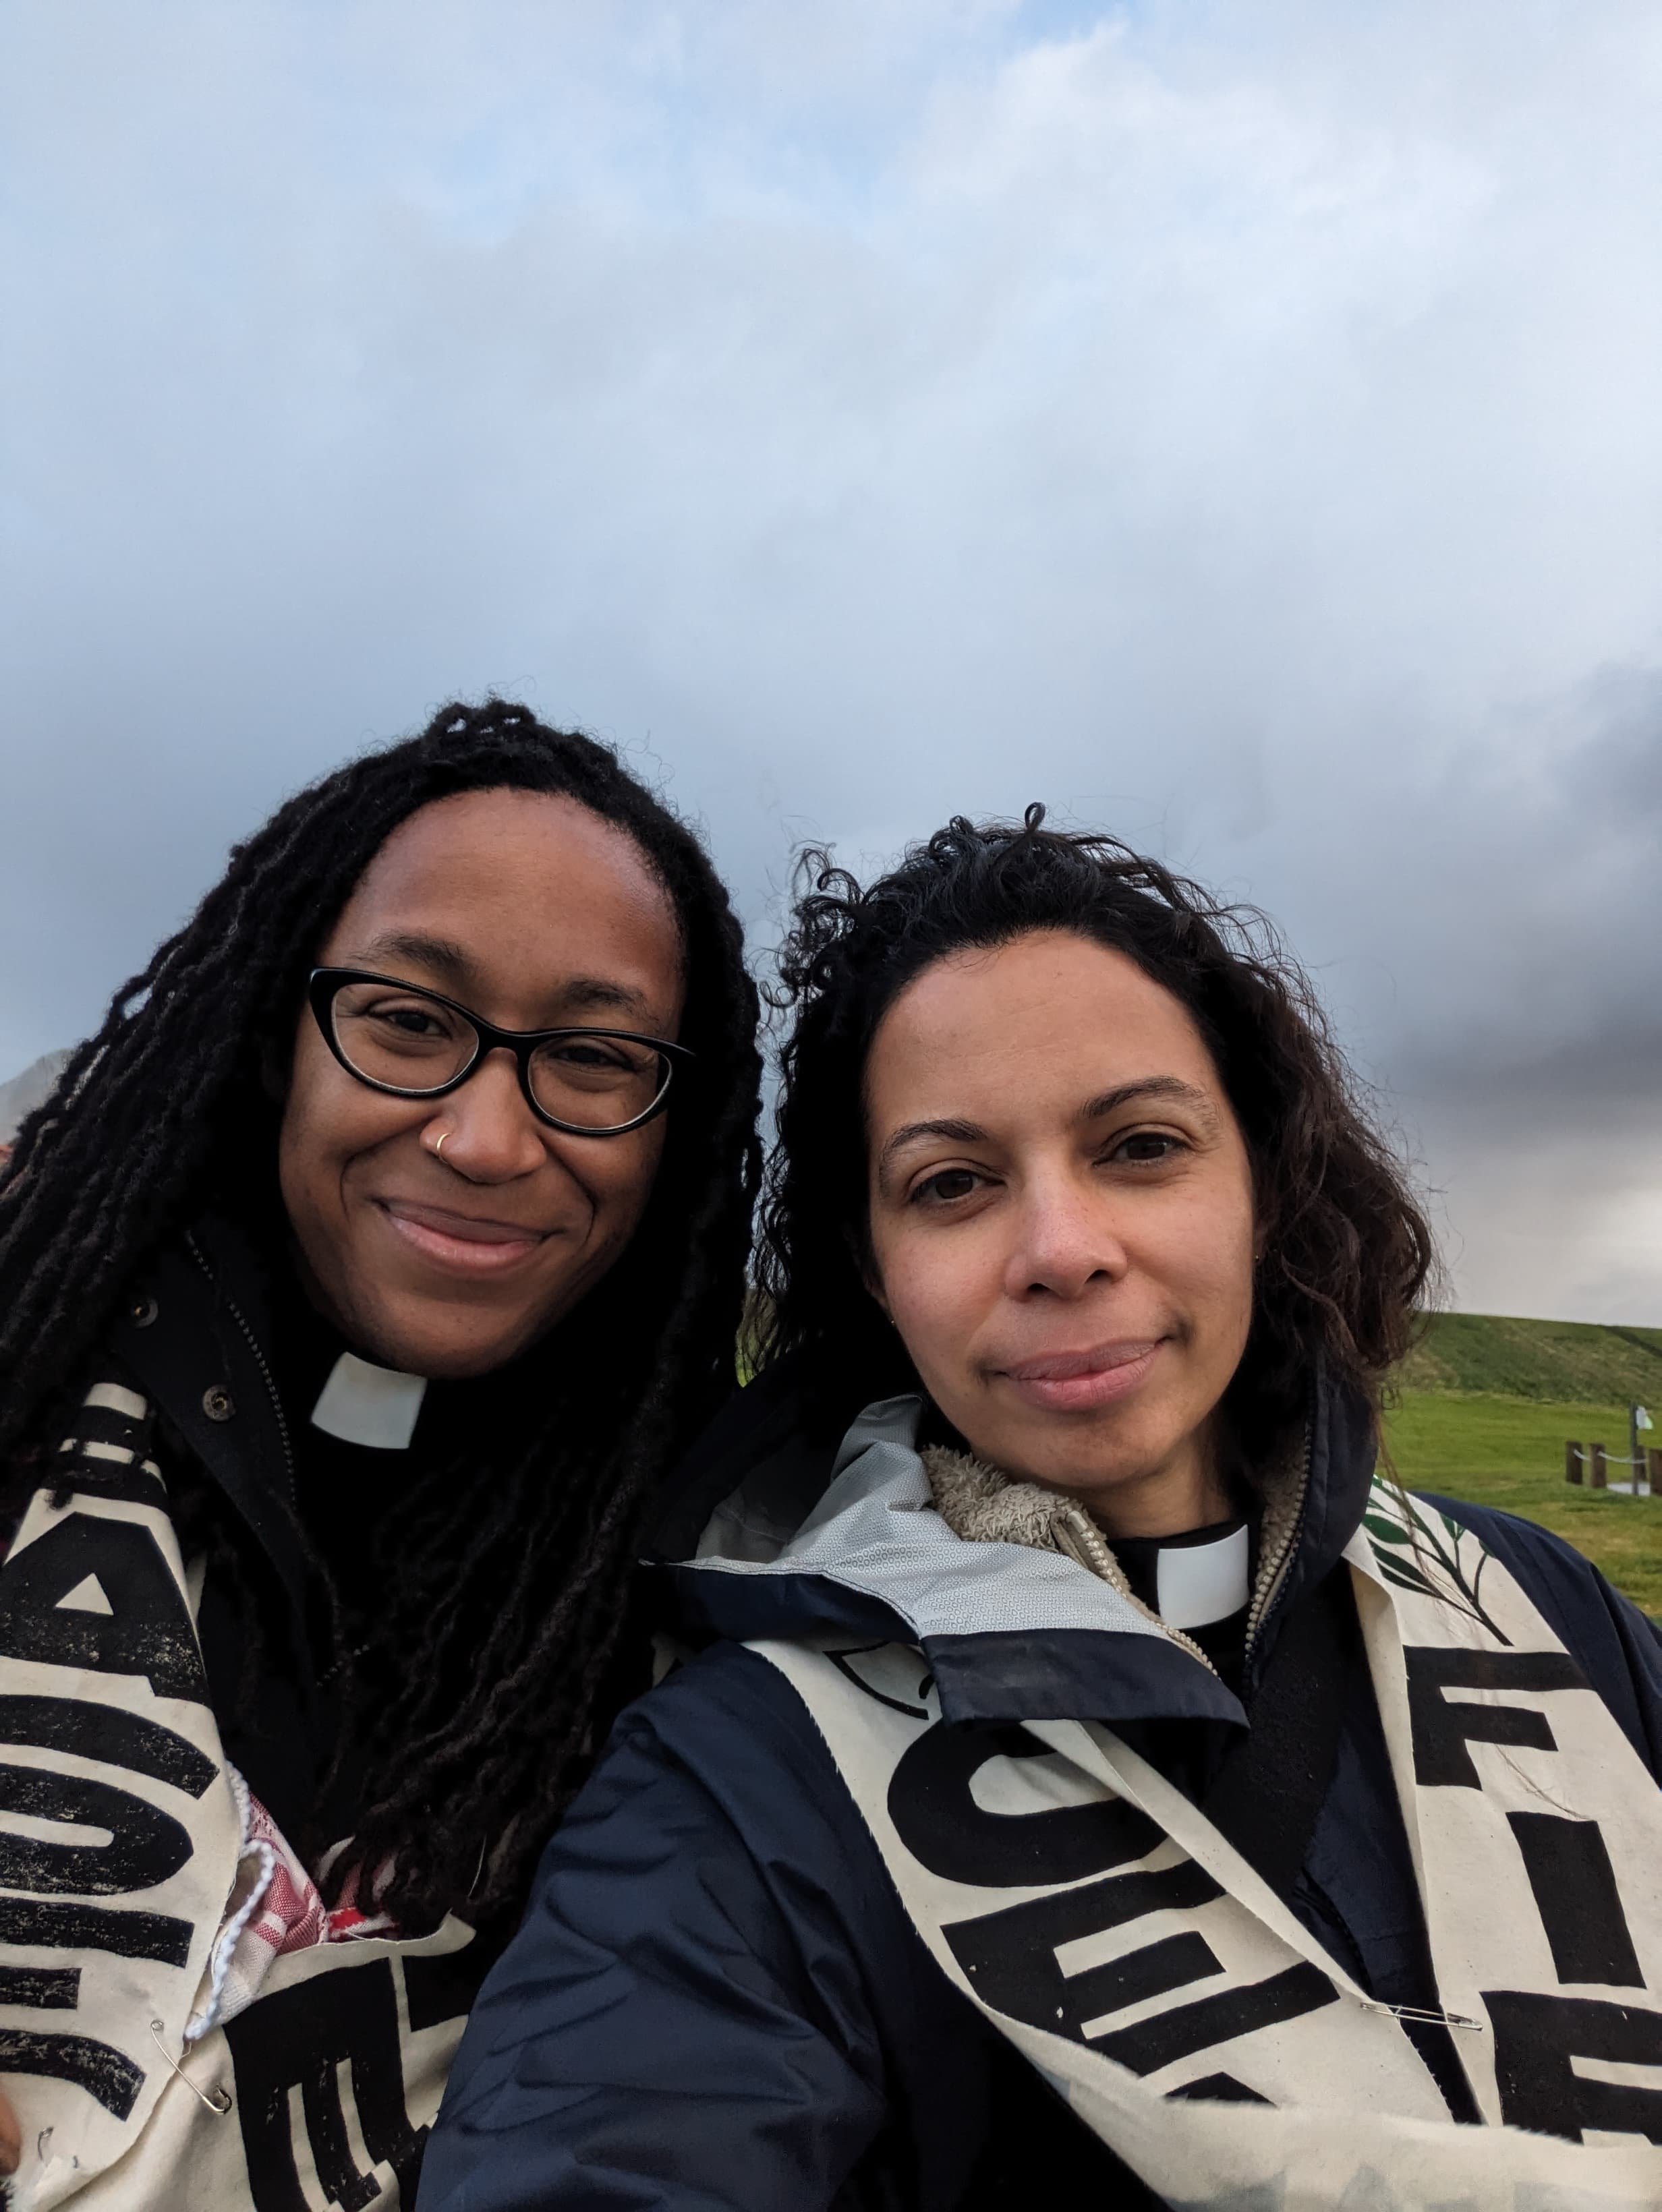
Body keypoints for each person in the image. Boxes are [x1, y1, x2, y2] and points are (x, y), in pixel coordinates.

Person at [425, 808, 1662, 2211]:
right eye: (950, 1184)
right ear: (872, 1261)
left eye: (1138, 1145)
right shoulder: (744, 1779)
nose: (1060, 1249)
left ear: (1258, 1175)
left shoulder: (1537, 1601)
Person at [0, 700, 760, 2208]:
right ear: (281, 1032)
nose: (483, 1135)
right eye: (409, 1021)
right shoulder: (24, 1348)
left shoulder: (708, 1598)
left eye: (594, 1057)